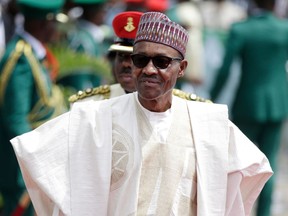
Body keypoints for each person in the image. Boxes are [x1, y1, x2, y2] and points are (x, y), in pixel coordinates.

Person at [11, 11, 272, 215]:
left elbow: (253, 168)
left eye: (161, 62)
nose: (148, 70)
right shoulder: (94, 117)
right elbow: (35, 154)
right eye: (140, 60)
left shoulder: (206, 122)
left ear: (181, 68)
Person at [209, 0, 288, 215]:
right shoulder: (284, 29)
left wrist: (212, 98)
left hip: (247, 103)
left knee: (237, 165)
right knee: (271, 163)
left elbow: (225, 69)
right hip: (278, 104)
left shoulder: (242, 29)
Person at [0, 0, 66, 215]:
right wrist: (38, 165)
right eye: (55, 23)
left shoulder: (32, 54)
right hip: (26, 172)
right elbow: (15, 119)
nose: (57, 29)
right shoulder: (20, 58)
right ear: (44, 24)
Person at [69, 10, 210, 103]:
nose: (126, 64)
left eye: (135, 58)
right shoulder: (90, 104)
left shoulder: (188, 107)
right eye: (121, 56)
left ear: (181, 68)